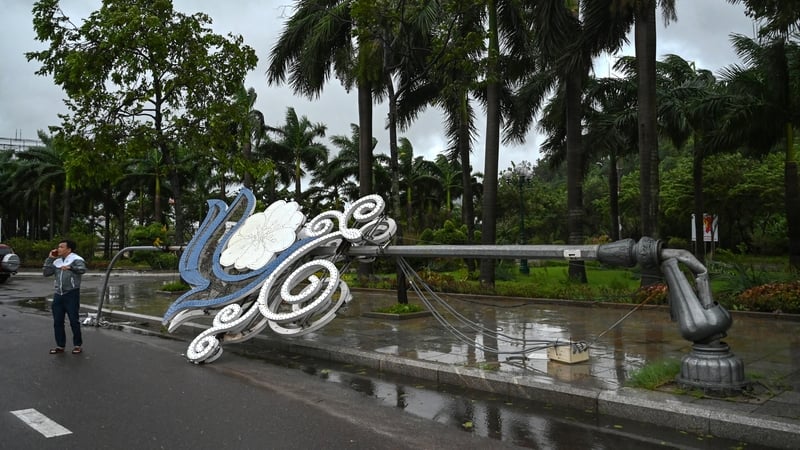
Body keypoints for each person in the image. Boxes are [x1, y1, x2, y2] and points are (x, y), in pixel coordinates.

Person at [43, 239, 87, 354]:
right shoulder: (57, 261)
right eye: (58, 247)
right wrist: (50, 259)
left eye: (61, 247)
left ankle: (77, 345)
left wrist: (71, 268)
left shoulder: (76, 259)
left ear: (69, 249)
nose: (58, 249)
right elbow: (46, 273)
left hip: (71, 293)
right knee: (57, 321)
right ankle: (60, 345)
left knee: (73, 320)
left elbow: (82, 270)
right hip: (58, 294)